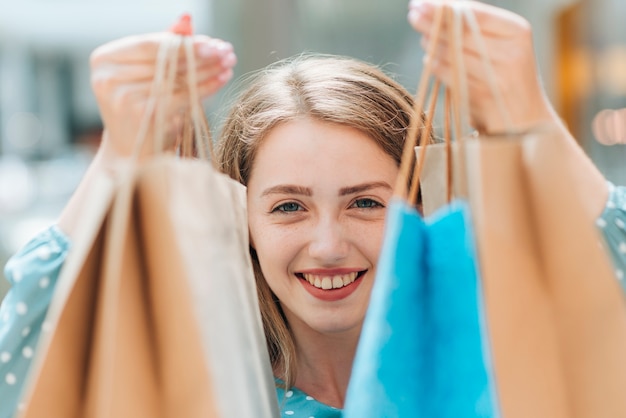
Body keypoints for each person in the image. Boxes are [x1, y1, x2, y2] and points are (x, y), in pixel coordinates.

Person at [1, 1, 625, 417]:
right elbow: (23, 371)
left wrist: (532, 122)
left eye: (365, 203)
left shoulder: (507, 363)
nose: (327, 244)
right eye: (289, 207)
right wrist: (119, 156)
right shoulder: (204, 387)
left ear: (424, 207)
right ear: (242, 221)